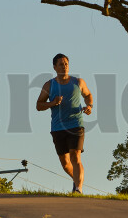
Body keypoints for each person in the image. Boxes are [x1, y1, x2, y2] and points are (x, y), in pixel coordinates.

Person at [36, 53, 93, 193]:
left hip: (76, 124)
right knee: (66, 163)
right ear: (55, 67)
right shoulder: (49, 85)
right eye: (61, 64)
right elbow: (39, 105)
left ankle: (78, 189)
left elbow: (88, 95)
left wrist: (89, 106)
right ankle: (76, 180)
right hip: (58, 127)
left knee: (75, 155)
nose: (64, 66)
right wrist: (52, 103)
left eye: (66, 63)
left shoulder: (78, 82)